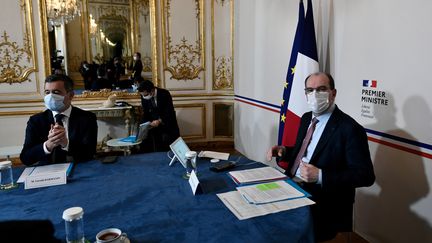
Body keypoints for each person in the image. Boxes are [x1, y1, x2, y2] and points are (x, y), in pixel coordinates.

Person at [267, 72, 375, 241]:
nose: (315, 95)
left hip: (323, 201)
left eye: (321, 89)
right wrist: (285, 150)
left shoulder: (350, 129)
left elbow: (366, 176)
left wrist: (321, 176)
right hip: (290, 184)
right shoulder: (306, 118)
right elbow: (306, 149)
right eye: (310, 90)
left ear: (333, 93)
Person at [20, 74, 98, 166]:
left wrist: (66, 144)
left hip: (78, 168)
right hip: (46, 173)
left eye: (56, 92)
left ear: (71, 95)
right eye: (47, 92)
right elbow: (25, 158)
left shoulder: (87, 118)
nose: (50, 97)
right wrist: (48, 145)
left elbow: (90, 153)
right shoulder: (36, 121)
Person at [137, 80, 180, 152]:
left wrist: (159, 120)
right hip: (153, 123)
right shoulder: (144, 96)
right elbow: (146, 112)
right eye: (142, 95)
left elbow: (169, 112)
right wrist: (147, 123)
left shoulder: (165, 93)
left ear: (152, 91)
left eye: (145, 95)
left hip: (166, 121)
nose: (143, 97)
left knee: (168, 142)